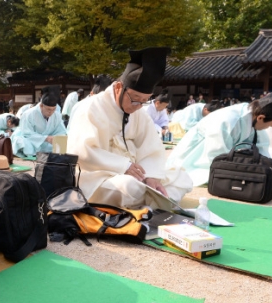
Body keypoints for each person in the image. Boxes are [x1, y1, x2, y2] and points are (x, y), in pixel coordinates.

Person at [67, 47, 193, 208]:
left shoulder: (139, 113)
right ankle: (153, 204)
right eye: (134, 99)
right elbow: (82, 152)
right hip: (97, 176)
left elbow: (151, 149)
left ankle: (149, 202)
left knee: (181, 178)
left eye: (144, 101)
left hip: (135, 174)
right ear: (119, 88)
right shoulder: (91, 107)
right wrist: (123, 166)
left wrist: (152, 176)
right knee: (129, 187)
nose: (137, 106)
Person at [166, 86, 272, 186]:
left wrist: (270, 166)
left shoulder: (254, 118)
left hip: (227, 159)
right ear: (261, 118)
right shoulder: (228, 121)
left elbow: (261, 147)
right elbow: (216, 157)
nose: (271, 126)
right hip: (196, 157)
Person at [11, 85, 67, 157]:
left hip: (47, 142)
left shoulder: (56, 115)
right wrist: (45, 138)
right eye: (48, 109)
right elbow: (26, 133)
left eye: (53, 109)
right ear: (41, 106)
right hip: (32, 140)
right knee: (22, 142)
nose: (51, 112)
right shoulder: (28, 114)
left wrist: (56, 138)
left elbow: (61, 131)